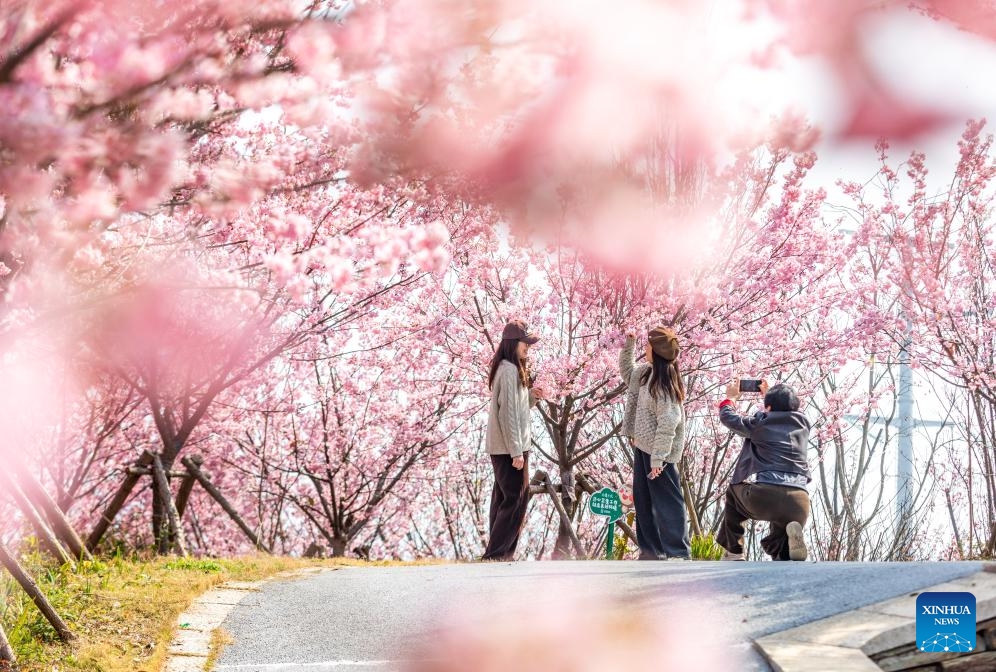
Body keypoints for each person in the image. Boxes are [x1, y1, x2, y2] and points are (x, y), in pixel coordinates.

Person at [716, 379, 811, 561]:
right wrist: (772, 399)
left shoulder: (760, 423)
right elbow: (787, 413)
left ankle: (734, 551)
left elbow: (728, 418)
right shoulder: (804, 424)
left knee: (734, 492)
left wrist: (730, 398)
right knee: (784, 522)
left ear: (767, 407)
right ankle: (786, 551)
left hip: (765, 497)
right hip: (800, 504)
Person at [620, 326, 690, 560]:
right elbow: (627, 373)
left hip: (661, 453)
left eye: (647, 345)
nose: (645, 348)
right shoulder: (645, 374)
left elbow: (669, 423)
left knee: (668, 503)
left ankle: (678, 552)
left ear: (657, 351)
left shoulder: (663, 385)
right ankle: (650, 551)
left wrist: (658, 458)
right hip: (643, 448)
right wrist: (629, 345)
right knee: (644, 500)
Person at [482, 319, 543, 561]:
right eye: (524, 342)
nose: (527, 347)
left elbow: (516, 409)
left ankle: (499, 553)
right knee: (515, 499)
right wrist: (517, 452)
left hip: (506, 446)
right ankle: (498, 554)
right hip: (510, 448)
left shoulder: (510, 368)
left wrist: (532, 397)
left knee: (504, 498)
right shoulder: (508, 371)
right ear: (512, 343)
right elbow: (507, 415)